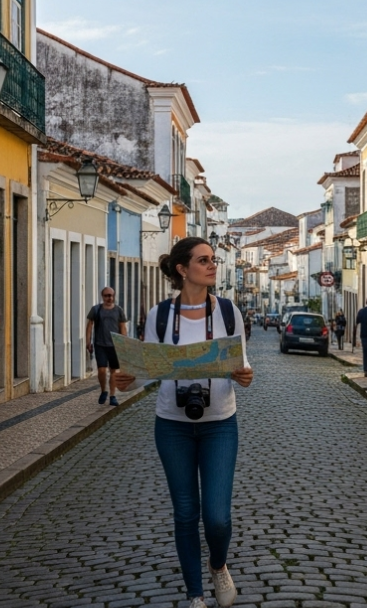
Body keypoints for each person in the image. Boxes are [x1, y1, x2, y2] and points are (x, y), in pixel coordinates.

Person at [113, 237, 253, 608]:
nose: (212, 265)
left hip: (220, 422)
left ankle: (218, 564)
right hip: (172, 424)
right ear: (182, 269)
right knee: (186, 512)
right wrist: (127, 380)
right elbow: (146, 373)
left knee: (218, 517)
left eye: (214, 259)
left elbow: (243, 362)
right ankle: (195, 595)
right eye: (204, 260)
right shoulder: (161, 315)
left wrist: (244, 375)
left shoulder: (227, 312)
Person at [85, 287, 128, 406]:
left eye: (111, 295)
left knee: (114, 371)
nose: (109, 298)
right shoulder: (96, 309)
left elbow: (123, 327)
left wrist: (124, 343)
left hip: (114, 345)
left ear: (114, 296)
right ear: (102, 296)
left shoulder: (119, 310)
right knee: (102, 370)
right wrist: (88, 341)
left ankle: (112, 395)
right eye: (106, 295)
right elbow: (89, 326)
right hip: (100, 344)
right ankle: (104, 390)